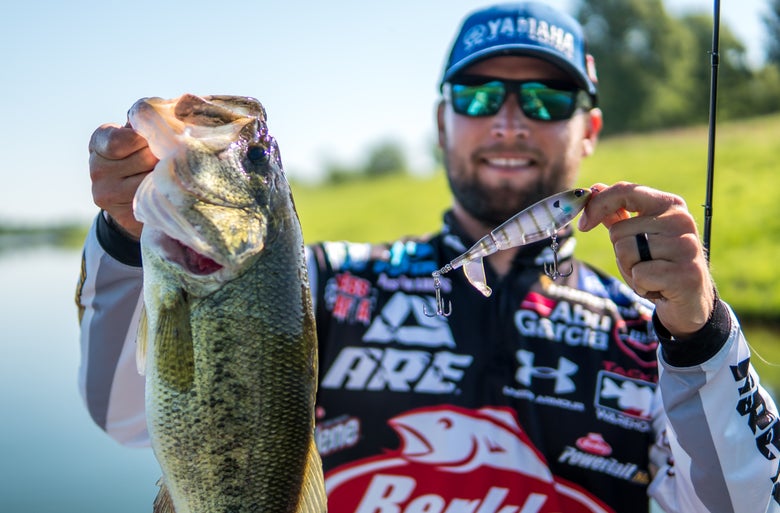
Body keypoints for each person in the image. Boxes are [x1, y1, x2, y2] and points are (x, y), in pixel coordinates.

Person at [75, 3, 780, 512]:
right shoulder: (326, 280)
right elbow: (124, 415)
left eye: (544, 96)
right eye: (477, 94)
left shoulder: (654, 331)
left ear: (588, 127)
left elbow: (753, 504)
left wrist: (704, 334)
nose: (509, 118)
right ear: (442, 123)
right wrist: (128, 239)